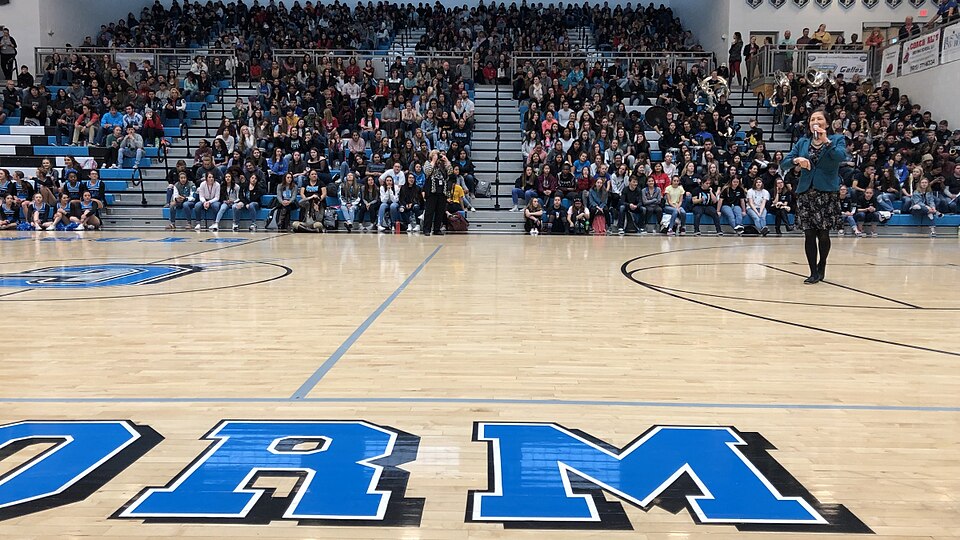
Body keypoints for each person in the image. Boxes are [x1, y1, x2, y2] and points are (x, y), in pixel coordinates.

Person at [783, 109, 847, 284]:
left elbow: (840, 157)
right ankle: (813, 272)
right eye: (812, 119)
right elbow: (785, 162)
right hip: (806, 192)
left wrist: (826, 140)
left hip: (826, 192)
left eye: (819, 118)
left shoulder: (836, 139)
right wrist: (797, 161)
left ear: (826, 123)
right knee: (809, 234)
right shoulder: (803, 142)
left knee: (824, 234)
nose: (815, 121)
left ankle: (822, 263)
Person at [422, 150, 452, 236]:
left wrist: (446, 161)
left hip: (442, 190)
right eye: (435, 154)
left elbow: (450, 172)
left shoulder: (442, 164)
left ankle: (437, 229)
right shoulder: (428, 163)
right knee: (429, 211)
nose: (437, 156)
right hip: (432, 190)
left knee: (440, 211)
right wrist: (433, 161)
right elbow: (427, 172)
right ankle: (426, 229)